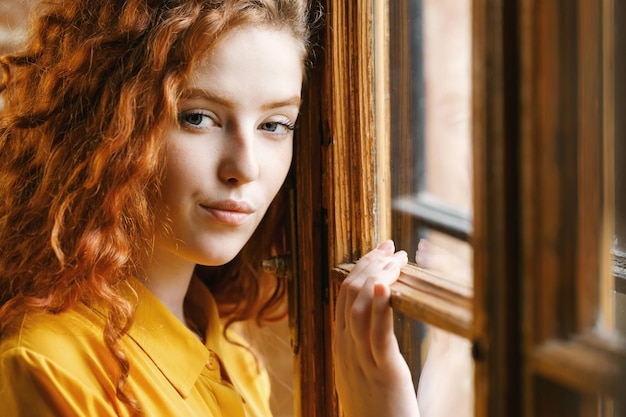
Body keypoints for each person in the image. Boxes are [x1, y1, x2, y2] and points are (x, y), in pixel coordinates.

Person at [0, 0, 420, 416]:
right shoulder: (46, 366)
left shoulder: (231, 354)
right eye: (199, 118)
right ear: (112, 123)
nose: (245, 167)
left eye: (273, 125)